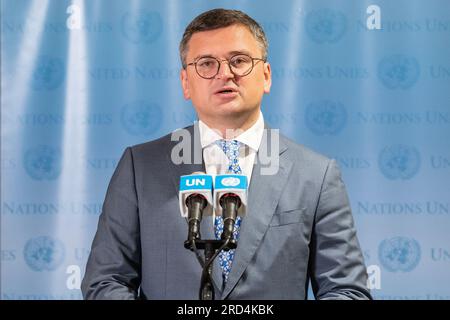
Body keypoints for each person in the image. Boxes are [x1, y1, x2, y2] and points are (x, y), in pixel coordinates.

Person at [81, 8, 372, 300]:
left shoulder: (316, 175)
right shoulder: (140, 167)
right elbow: (106, 282)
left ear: (267, 76)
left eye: (239, 60)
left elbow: (346, 290)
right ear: (185, 83)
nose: (225, 73)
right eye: (206, 63)